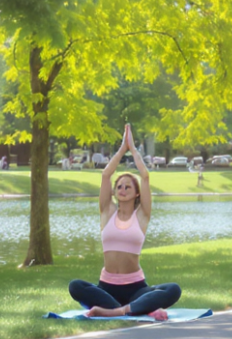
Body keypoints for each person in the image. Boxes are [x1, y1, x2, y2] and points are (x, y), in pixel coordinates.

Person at [68, 123, 180, 320]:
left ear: (137, 193)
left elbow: (145, 176)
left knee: (173, 289)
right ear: (114, 191)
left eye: (128, 187)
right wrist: (122, 149)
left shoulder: (142, 216)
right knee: (75, 286)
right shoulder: (107, 212)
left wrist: (133, 150)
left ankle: (117, 311)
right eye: (119, 186)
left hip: (136, 288)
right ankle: (138, 309)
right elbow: (105, 175)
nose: (123, 189)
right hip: (106, 288)